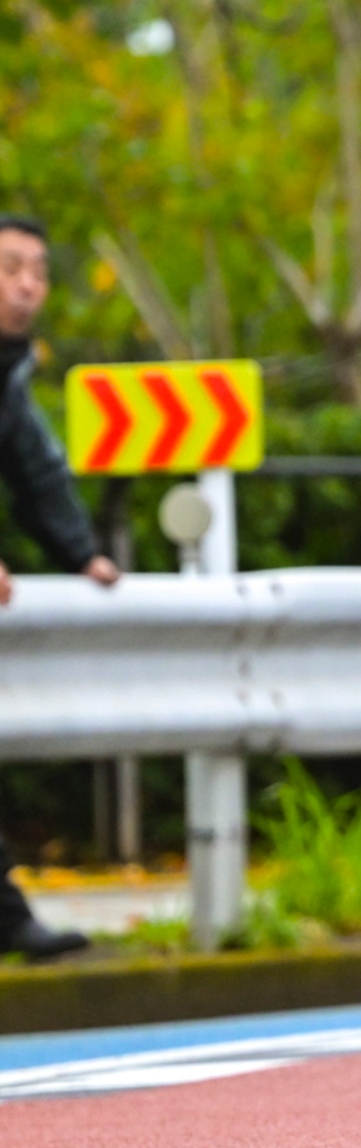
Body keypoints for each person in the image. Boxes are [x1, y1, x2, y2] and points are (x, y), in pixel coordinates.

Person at [0, 214, 119, 960]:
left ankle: (6, 918)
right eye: (10, 267)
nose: (28, 286)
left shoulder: (9, 372)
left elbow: (36, 470)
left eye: (38, 272)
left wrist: (83, 556)